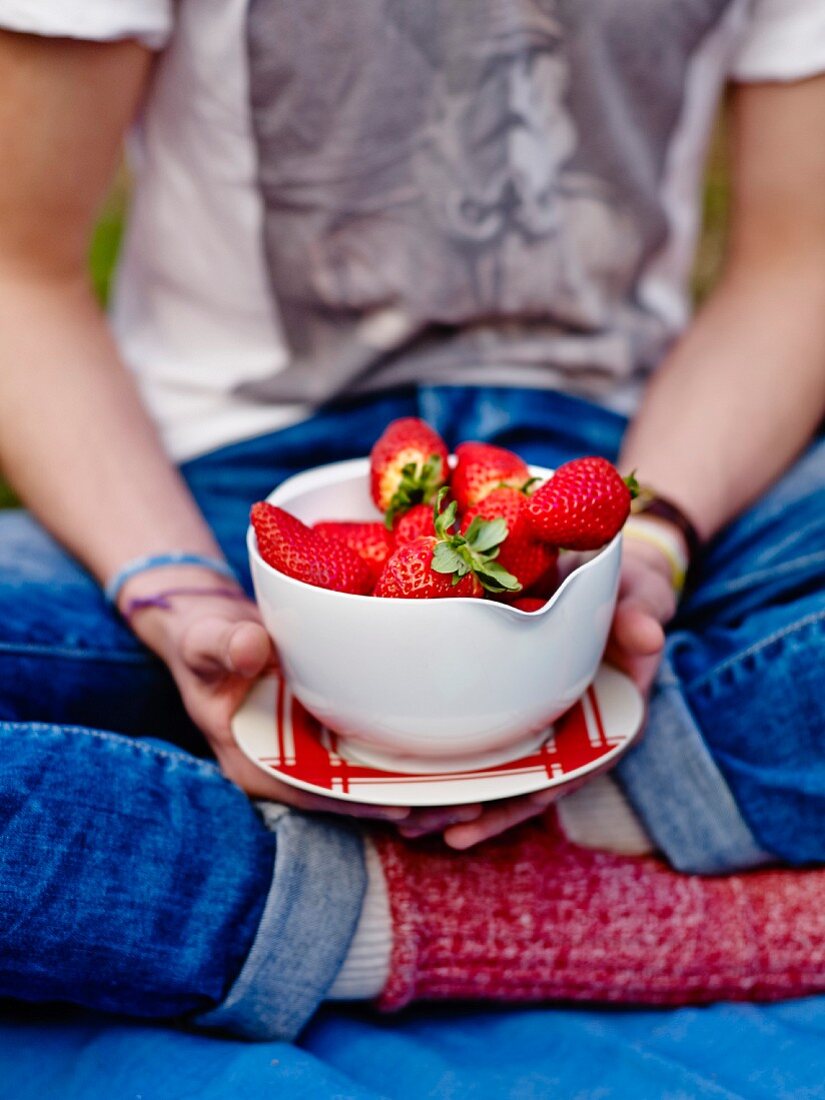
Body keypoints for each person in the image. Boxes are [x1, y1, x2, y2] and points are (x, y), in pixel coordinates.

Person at [0, 0, 824, 1041]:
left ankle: (586, 799)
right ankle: (419, 912)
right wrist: (181, 600)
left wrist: (645, 551)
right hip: (199, 492)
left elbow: (798, 267)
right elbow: (18, 272)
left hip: (637, 465)